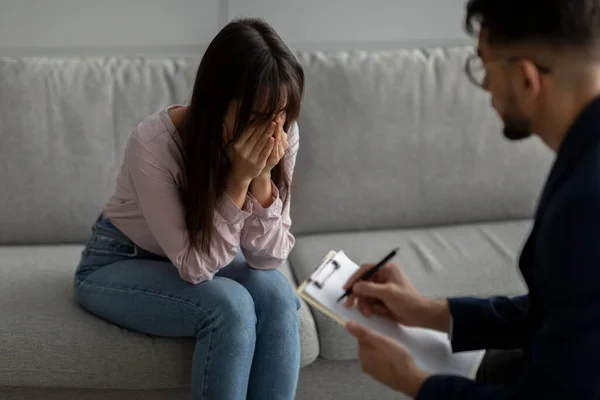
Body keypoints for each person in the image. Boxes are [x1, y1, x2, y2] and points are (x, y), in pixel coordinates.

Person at [343, 0, 600, 398]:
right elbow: (557, 313)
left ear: (526, 78)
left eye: (484, 66)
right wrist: (427, 311)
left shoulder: (584, 204)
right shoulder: (585, 159)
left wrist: (413, 381)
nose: (483, 85)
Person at [73, 18, 305, 400]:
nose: (272, 130)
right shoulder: (153, 144)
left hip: (200, 257)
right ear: (218, 102)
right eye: (258, 116)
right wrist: (237, 182)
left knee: (277, 294)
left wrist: (262, 179)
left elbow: (268, 259)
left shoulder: (282, 132)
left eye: (281, 115)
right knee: (229, 308)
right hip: (119, 260)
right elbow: (196, 268)